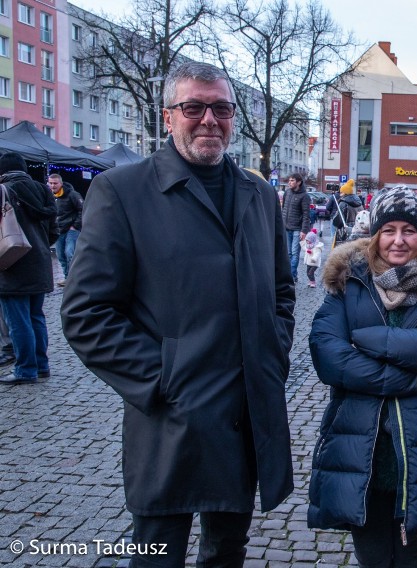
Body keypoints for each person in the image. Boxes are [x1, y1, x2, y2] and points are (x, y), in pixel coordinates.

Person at [60, 61, 296, 567]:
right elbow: (85, 313)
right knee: (156, 554)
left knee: (227, 549)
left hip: (245, 413)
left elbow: (281, 289)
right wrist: (164, 377)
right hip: (172, 418)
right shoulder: (122, 191)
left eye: (222, 108)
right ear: (169, 117)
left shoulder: (260, 194)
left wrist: (271, 351)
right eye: (194, 107)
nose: (209, 119)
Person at [307, 186, 417, 567]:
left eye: (409, 230)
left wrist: (369, 339)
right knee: (371, 555)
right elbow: (327, 353)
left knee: (412, 555)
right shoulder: (348, 281)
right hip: (359, 448)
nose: (398, 240)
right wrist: (402, 376)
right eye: (389, 230)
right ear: (375, 232)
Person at [0, 152, 58, 385]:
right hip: (40, 261)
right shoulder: (44, 190)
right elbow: (54, 229)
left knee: (18, 321)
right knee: (36, 316)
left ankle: (26, 369)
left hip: (12, 263)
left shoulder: (4, 190)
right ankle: (41, 365)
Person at [47, 173, 84, 286]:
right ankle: (68, 277)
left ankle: (75, 277)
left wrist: (76, 225)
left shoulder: (72, 195)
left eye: (55, 183)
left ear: (61, 183)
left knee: (69, 252)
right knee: (60, 255)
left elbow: (82, 209)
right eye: (51, 183)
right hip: (59, 230)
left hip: (71, 229)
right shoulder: (50, 196)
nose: (53, 186)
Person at [282, 172, 311, 282]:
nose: (290, 182)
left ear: (299, 182)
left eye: (292, 180)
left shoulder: (304, 196)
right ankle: (291, 273)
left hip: (297, 229)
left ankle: (291, 275)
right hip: (286, 227)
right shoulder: (287, 193)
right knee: (288, 253)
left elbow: (306, 214)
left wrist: (304, 230)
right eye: (289, 180)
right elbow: (283, 209)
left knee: (294, 253)